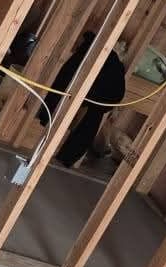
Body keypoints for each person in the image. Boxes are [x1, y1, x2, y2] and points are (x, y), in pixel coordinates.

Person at [45, 31, 128, 169]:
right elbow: (115, 95)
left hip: (90, 93)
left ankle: (62, 150)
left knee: (87, 118)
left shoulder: (91, 51)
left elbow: (63, 78)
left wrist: (46, 114)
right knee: (91, 121)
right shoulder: (115, 65)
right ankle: (68, 156)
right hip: (101, 99)